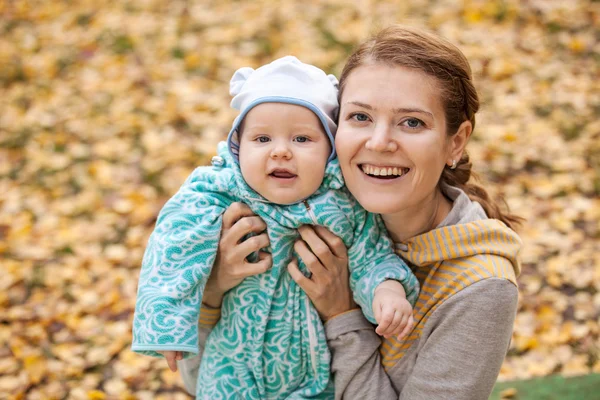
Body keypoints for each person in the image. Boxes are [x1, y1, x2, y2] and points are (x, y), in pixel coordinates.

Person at [181, 26, 523, 400]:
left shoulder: (482, 287)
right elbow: (198, 381)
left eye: (412, 122)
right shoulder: (301, 212)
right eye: (360, 117)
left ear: (455, 142)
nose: (378, 142)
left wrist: (341, 315)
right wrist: (213, 291)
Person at [131, 56, 419, 399]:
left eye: (301, 139)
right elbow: (175, 247)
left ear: (330, 149)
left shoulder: (345, 205)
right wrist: (167, 322)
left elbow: (372, 256)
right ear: (238, 147)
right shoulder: (218, 191)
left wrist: (387, 292)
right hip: (231, 371)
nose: (280, 151)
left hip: (315, 376)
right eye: (262, 139)